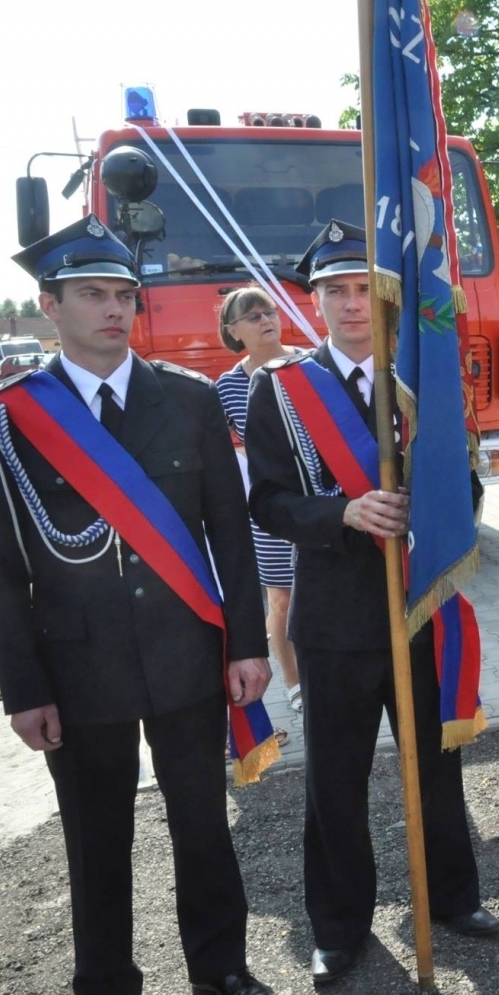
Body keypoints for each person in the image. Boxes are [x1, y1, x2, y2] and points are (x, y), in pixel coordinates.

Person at [0, 216, 273, 995]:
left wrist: (248, 643)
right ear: (50, 305)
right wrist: (26, 688)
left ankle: (221, 966)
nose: (112, 308)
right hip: (77, 664)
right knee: (95, 837)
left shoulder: (190, 398)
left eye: (122, 294)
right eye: (90, 294)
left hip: (186, 654)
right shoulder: (6, 416)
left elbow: (229, 537)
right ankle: (104, 977)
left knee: (202, 825)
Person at [246, 220, 496, 987]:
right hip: (334, 618)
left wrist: (439, 508)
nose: (352, 304)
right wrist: (343, 513)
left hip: (422, 609)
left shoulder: (426, 381)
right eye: (335, 292)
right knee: (337, 780)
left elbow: (473, 480)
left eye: (364, 288)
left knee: (437, 766)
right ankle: (340, 924)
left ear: (386, 296)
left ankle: (453, 896)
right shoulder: (280, 390)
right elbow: (268, 502)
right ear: (312, 301)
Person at [215, 286, 301, 721]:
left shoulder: (311, 365)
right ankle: (295, 684)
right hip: (268, 510)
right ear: (233, 332)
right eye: (252, 316)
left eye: (269, 311)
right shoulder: (226, 387)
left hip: (320, 504)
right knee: (281, 600)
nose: (266, 319)